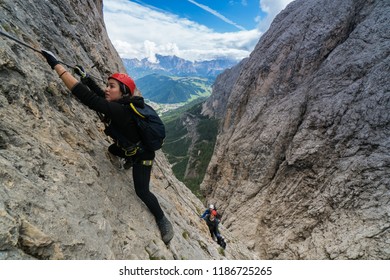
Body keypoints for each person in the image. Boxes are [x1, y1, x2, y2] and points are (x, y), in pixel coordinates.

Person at [41, 50, 174, 245]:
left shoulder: (121, 111)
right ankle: (127, 158)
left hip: (143, 155)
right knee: (112, 151)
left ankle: (162, 219)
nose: (106, 89)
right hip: (129, 148)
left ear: (123, 92)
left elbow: (90, 100)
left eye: (111, 86)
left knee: (142, 192)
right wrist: (85, 77)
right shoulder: (120, 105)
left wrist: (57, 66)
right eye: (107, 85)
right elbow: (100, 97)